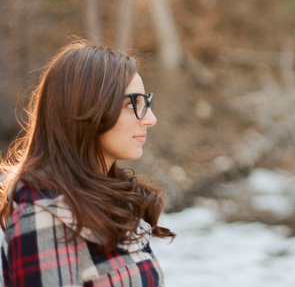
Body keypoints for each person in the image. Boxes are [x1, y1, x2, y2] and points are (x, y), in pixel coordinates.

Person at [0, 42, 174, 287]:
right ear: (88, 109)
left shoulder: (112, 200)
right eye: (132, 104)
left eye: (147, 102)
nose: (150, 119)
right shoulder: (45, 219)